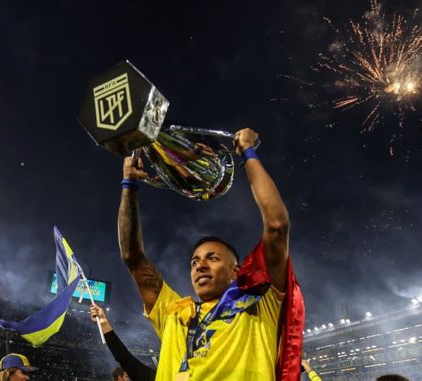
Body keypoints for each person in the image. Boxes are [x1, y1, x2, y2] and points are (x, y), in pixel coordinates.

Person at [118, 128, 304, 380]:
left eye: (212, 258)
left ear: (235, 271)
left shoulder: (260, 304)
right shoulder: (174, 313)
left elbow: (277, 225)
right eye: (194, 261)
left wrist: (248, 152)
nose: (200, 266)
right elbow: (133, 257)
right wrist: (129, 184)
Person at [89, 304, 156, 381]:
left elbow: (124, 358)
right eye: (127, 377)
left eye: (128, 377)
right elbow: (124, 357)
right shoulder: (158, 376)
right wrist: (103, 322)